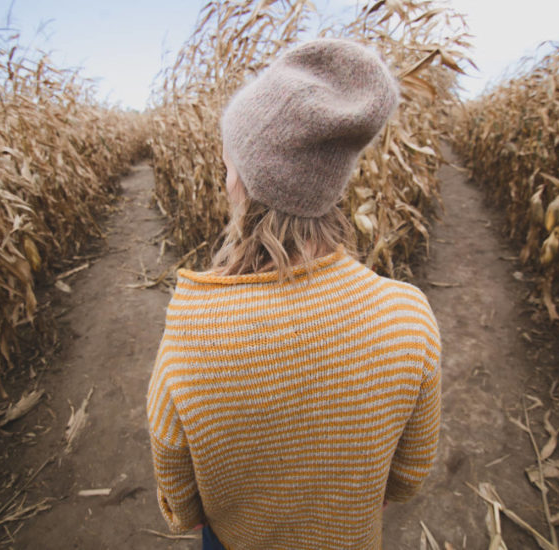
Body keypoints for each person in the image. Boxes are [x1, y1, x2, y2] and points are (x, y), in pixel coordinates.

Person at [147, 38, 442, 550]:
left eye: (228, 160)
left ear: (242, 180)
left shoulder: (193, 334)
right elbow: (409, 475)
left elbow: (180, 501)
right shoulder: (409, 318)